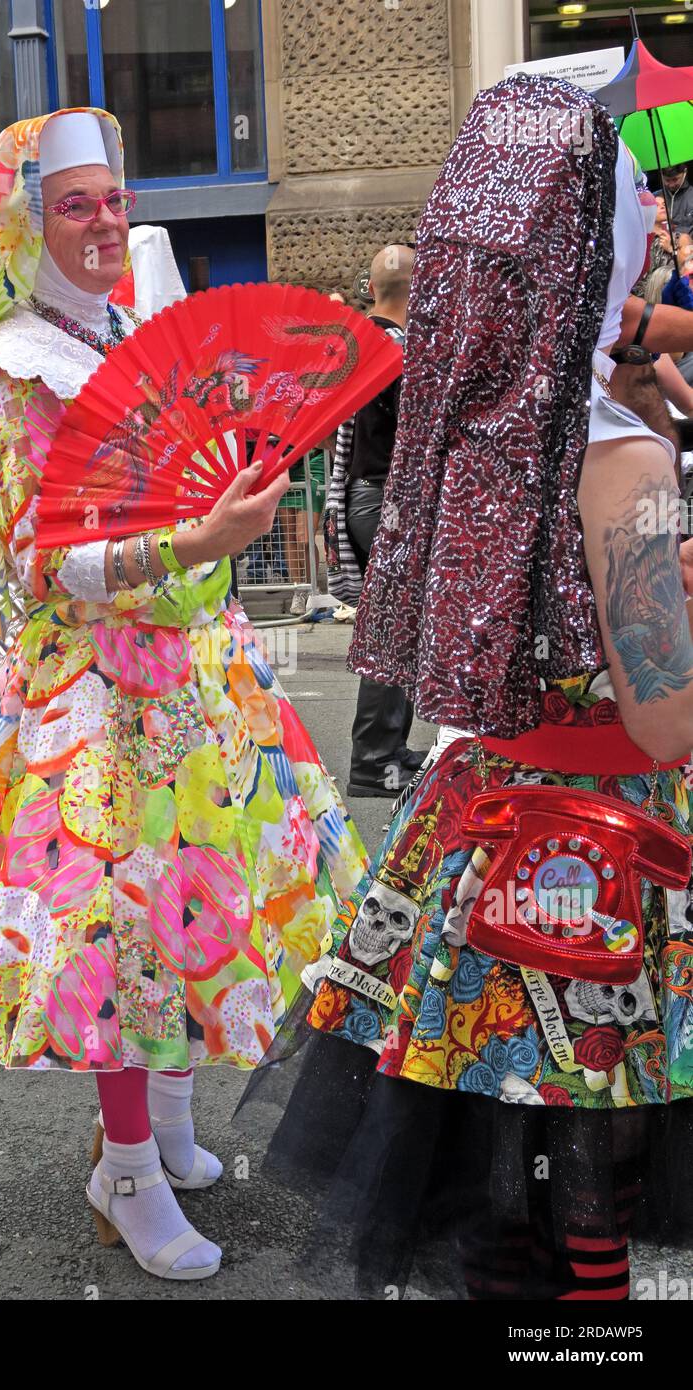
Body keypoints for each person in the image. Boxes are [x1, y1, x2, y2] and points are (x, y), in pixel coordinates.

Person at [0, 108, 367, 1282]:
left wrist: (230, 503)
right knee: (124, 935)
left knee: (205, 912)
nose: (107, 219)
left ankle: (174, 1129)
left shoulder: (118, 331)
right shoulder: (10, 371)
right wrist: (202, 537)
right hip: (96, 699)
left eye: (114, 195)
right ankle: (126, 1168)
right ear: (24, 220)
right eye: (78, 202)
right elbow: (49, 566)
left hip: (197, 678)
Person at [241, 76, 693, 1301]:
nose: (653, 248)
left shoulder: (460, 418)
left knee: (498, 1194)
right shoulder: (627, 456)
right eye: (636, 228)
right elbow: (666, 718)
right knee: (592, 1185)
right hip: (609, 856)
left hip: (477, 834)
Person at [337, 244, 423, 797]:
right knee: (395, 630)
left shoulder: (357, 346)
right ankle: (374, 760)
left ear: (373, 290)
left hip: (367, 498)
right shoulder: (401, 353)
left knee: (399, 628)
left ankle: (386, 751)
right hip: (388, 499)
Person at [662, 162, 693, 237]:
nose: (671, 185)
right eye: (667, 180)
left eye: (675, 179)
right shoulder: (656, 198)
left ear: (685, 173)